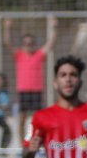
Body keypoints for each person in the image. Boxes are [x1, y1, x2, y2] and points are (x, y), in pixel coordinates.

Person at [5, 16, 57, 144]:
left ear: (33, 44)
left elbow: (51, 43)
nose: (28, 45)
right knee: (21, 119)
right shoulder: (19, 55)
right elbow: (7, 42)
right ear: (23, 44)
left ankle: (37, 143)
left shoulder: (39, 55)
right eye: (26, 43)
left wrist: (54, 27)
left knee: (39, 120)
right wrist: (7, 27)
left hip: (37, 91)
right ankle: (23, 145)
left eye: (30, 43)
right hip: (23, 91)